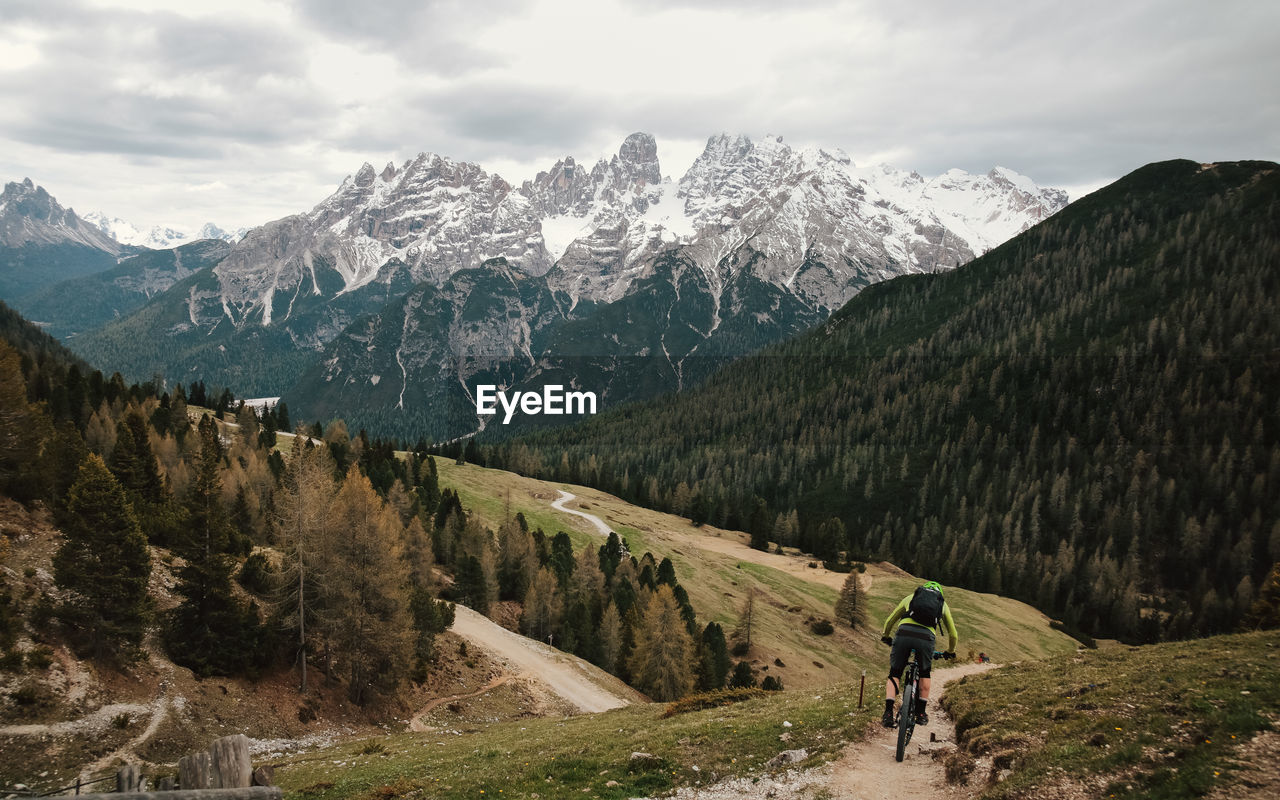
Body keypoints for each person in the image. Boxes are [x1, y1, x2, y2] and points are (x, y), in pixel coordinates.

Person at [880, 580, 958, 728]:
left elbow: (890, 620)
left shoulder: (910, 598)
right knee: (925, 673)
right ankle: (921, 713)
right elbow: (953, 634)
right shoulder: (942, 604)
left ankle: (888, 712)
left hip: (903, 634)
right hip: (926, 639)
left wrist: (886, 635)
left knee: (895, 673)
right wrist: (950, 651)